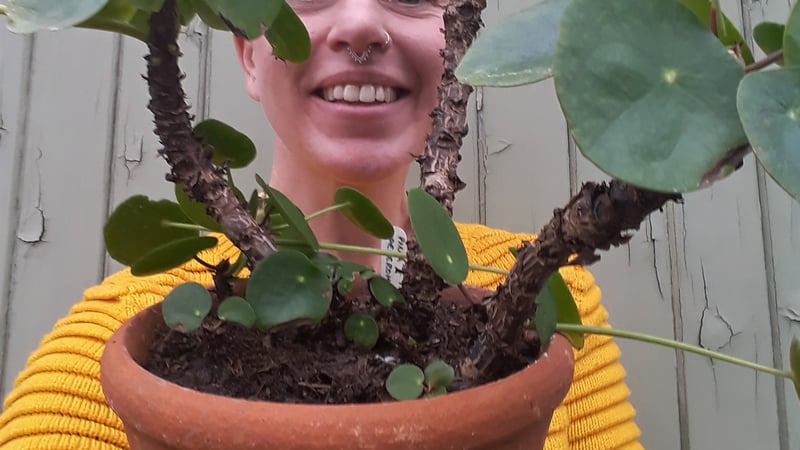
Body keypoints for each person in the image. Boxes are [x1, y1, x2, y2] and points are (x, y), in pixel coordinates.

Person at [0, 0, 642, 448]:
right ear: (249, 55)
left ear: (462, 42)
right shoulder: (98, 358)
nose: (361, 23)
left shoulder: (541, 302)